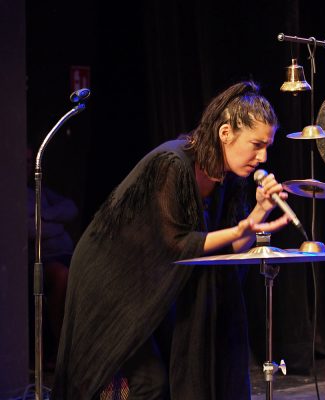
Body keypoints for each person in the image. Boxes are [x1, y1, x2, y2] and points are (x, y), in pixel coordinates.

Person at [51, 81, 290, 399]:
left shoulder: (232, 177)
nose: (262, 156)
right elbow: (176, 244)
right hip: (112, 282)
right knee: (149, 384)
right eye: (256, 144)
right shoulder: (172, 164)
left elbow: (221, 250)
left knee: (164, 382)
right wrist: (241, 229)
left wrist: (257, 215)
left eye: (267, 147)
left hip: (157, 283)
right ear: (225, 133)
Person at [27, 146, 76, 369]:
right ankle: (58, 350)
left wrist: (45, 216)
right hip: (39, 260)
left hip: (66, 253)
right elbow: (30, 229)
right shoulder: (12, 193)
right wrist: (54, 224)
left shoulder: (43, 191)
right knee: (62, 276)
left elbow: (70, 208)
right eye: (26, 161)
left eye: (31, 161)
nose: (30, 167)